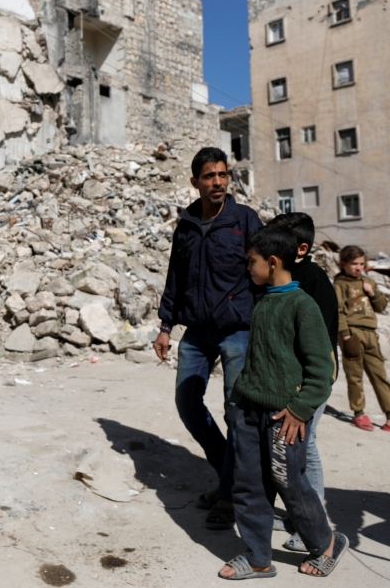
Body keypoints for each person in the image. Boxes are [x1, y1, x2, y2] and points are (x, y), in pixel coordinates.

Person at [218, 224, 347, 579]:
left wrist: (301, 408)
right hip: (250, 409)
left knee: (288, 482)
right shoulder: (263, 303)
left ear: (272, 262)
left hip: (284, 416)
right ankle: (259, 557)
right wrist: (240, 403)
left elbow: (322, 368)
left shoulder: (302, 306)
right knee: (247, 483)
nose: (248, 267)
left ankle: (326, 543)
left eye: (252, 261)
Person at [153, 147, 262, 528]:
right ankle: (227, 476)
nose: (217, 182)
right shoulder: (184, 226)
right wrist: (165, 326)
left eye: (222, 175)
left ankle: (230, 496)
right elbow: (175, 279)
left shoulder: (245, 221)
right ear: (195, 181)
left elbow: (264, 275)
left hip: (237, 331)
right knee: (187, 401)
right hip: (197, 332)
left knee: (237, 413)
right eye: (209, 176)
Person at [267, 212, 337, 552]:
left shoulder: (312, 279)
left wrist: (305, 390)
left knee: (305, 442)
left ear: (301, 248)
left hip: (312, 377)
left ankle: (317, 515)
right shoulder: (283, 275)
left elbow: (318, 346)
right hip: (290, 376)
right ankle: (302, 514)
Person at [334, 245, 390, 435]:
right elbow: (337, 311)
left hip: (371, 333)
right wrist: (345, 335)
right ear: (343, 264)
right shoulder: (340, 285)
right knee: (355, 376)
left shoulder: (368, 282)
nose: (358, 267)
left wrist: (373, 293)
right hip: (353, 333)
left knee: (380, 375)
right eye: (354, 264)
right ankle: (359, 413)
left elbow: (381, 306)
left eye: (362, 264)